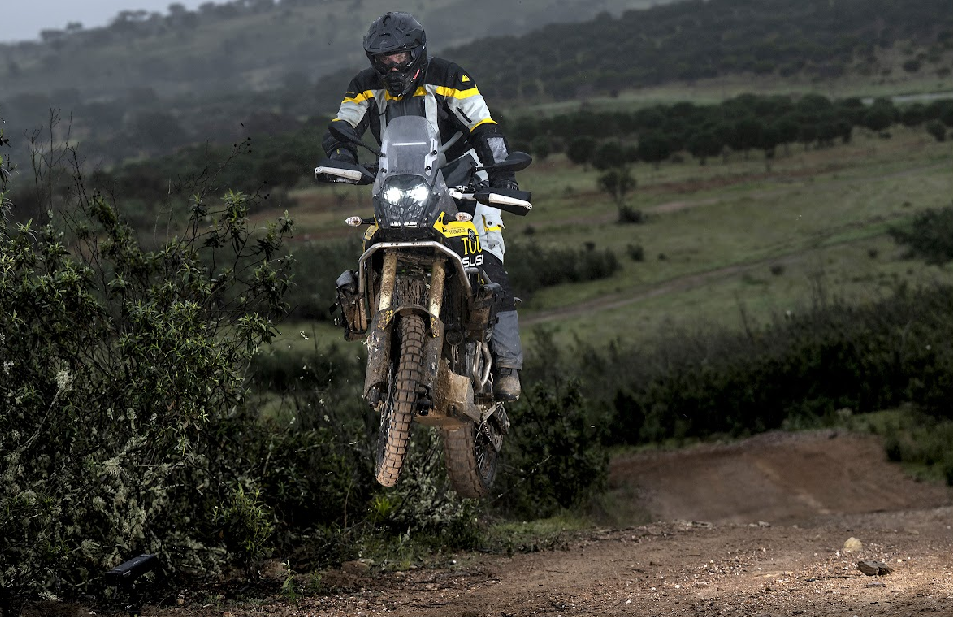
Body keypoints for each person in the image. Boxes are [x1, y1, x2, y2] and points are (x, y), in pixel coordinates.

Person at [322, 11, 523, 400]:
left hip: (465, 178)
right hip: (402, 181)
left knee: (485, 259)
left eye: (398, 57)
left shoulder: (450, 78)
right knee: (373, 245)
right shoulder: (364, 86)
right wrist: (341, 157)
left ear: (417, 52)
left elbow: (485, 126)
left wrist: (501, 177)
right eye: (382, 59)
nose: (391, 66)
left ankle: (507, 365)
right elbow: (344, 125)